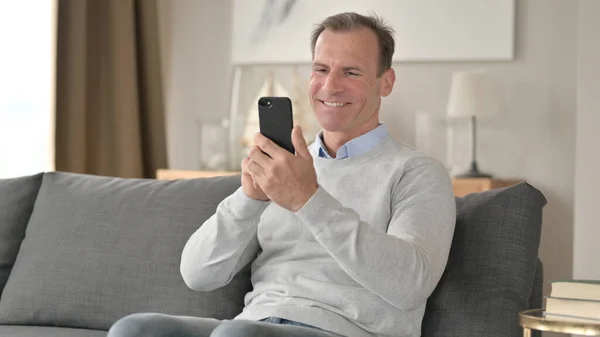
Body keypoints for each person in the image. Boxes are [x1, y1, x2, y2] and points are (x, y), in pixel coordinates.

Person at [107, 11, 456, 337]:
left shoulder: (418, 173)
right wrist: (250, 199)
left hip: (345, 330)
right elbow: (198, 275)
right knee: (134, 330)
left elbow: (410, 285)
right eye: (320, 69)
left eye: (351, 72)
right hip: (255, 324)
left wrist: (308, 199)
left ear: (386, 82)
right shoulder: (283, 167)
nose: (330, 86)